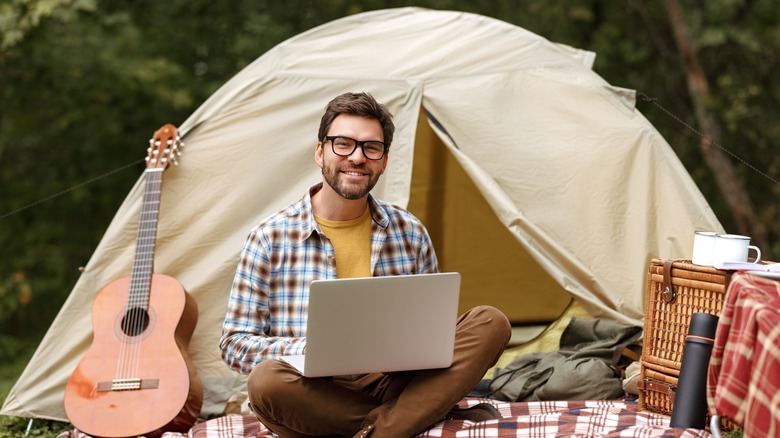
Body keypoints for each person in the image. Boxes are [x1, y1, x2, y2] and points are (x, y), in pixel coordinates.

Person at [219, 92, 512, 437]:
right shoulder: (269, 237)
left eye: (371, 148)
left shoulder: (410, 232)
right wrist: (311, 349)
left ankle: (379, 428)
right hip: (313, 391)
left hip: (395, 382)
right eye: (343, 144)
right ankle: (414, 420)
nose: (357, 157)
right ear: (320, 152)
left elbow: (438, 332)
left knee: (491, 322)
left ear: (384, 161)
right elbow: (235, 344)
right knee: (265, 382)